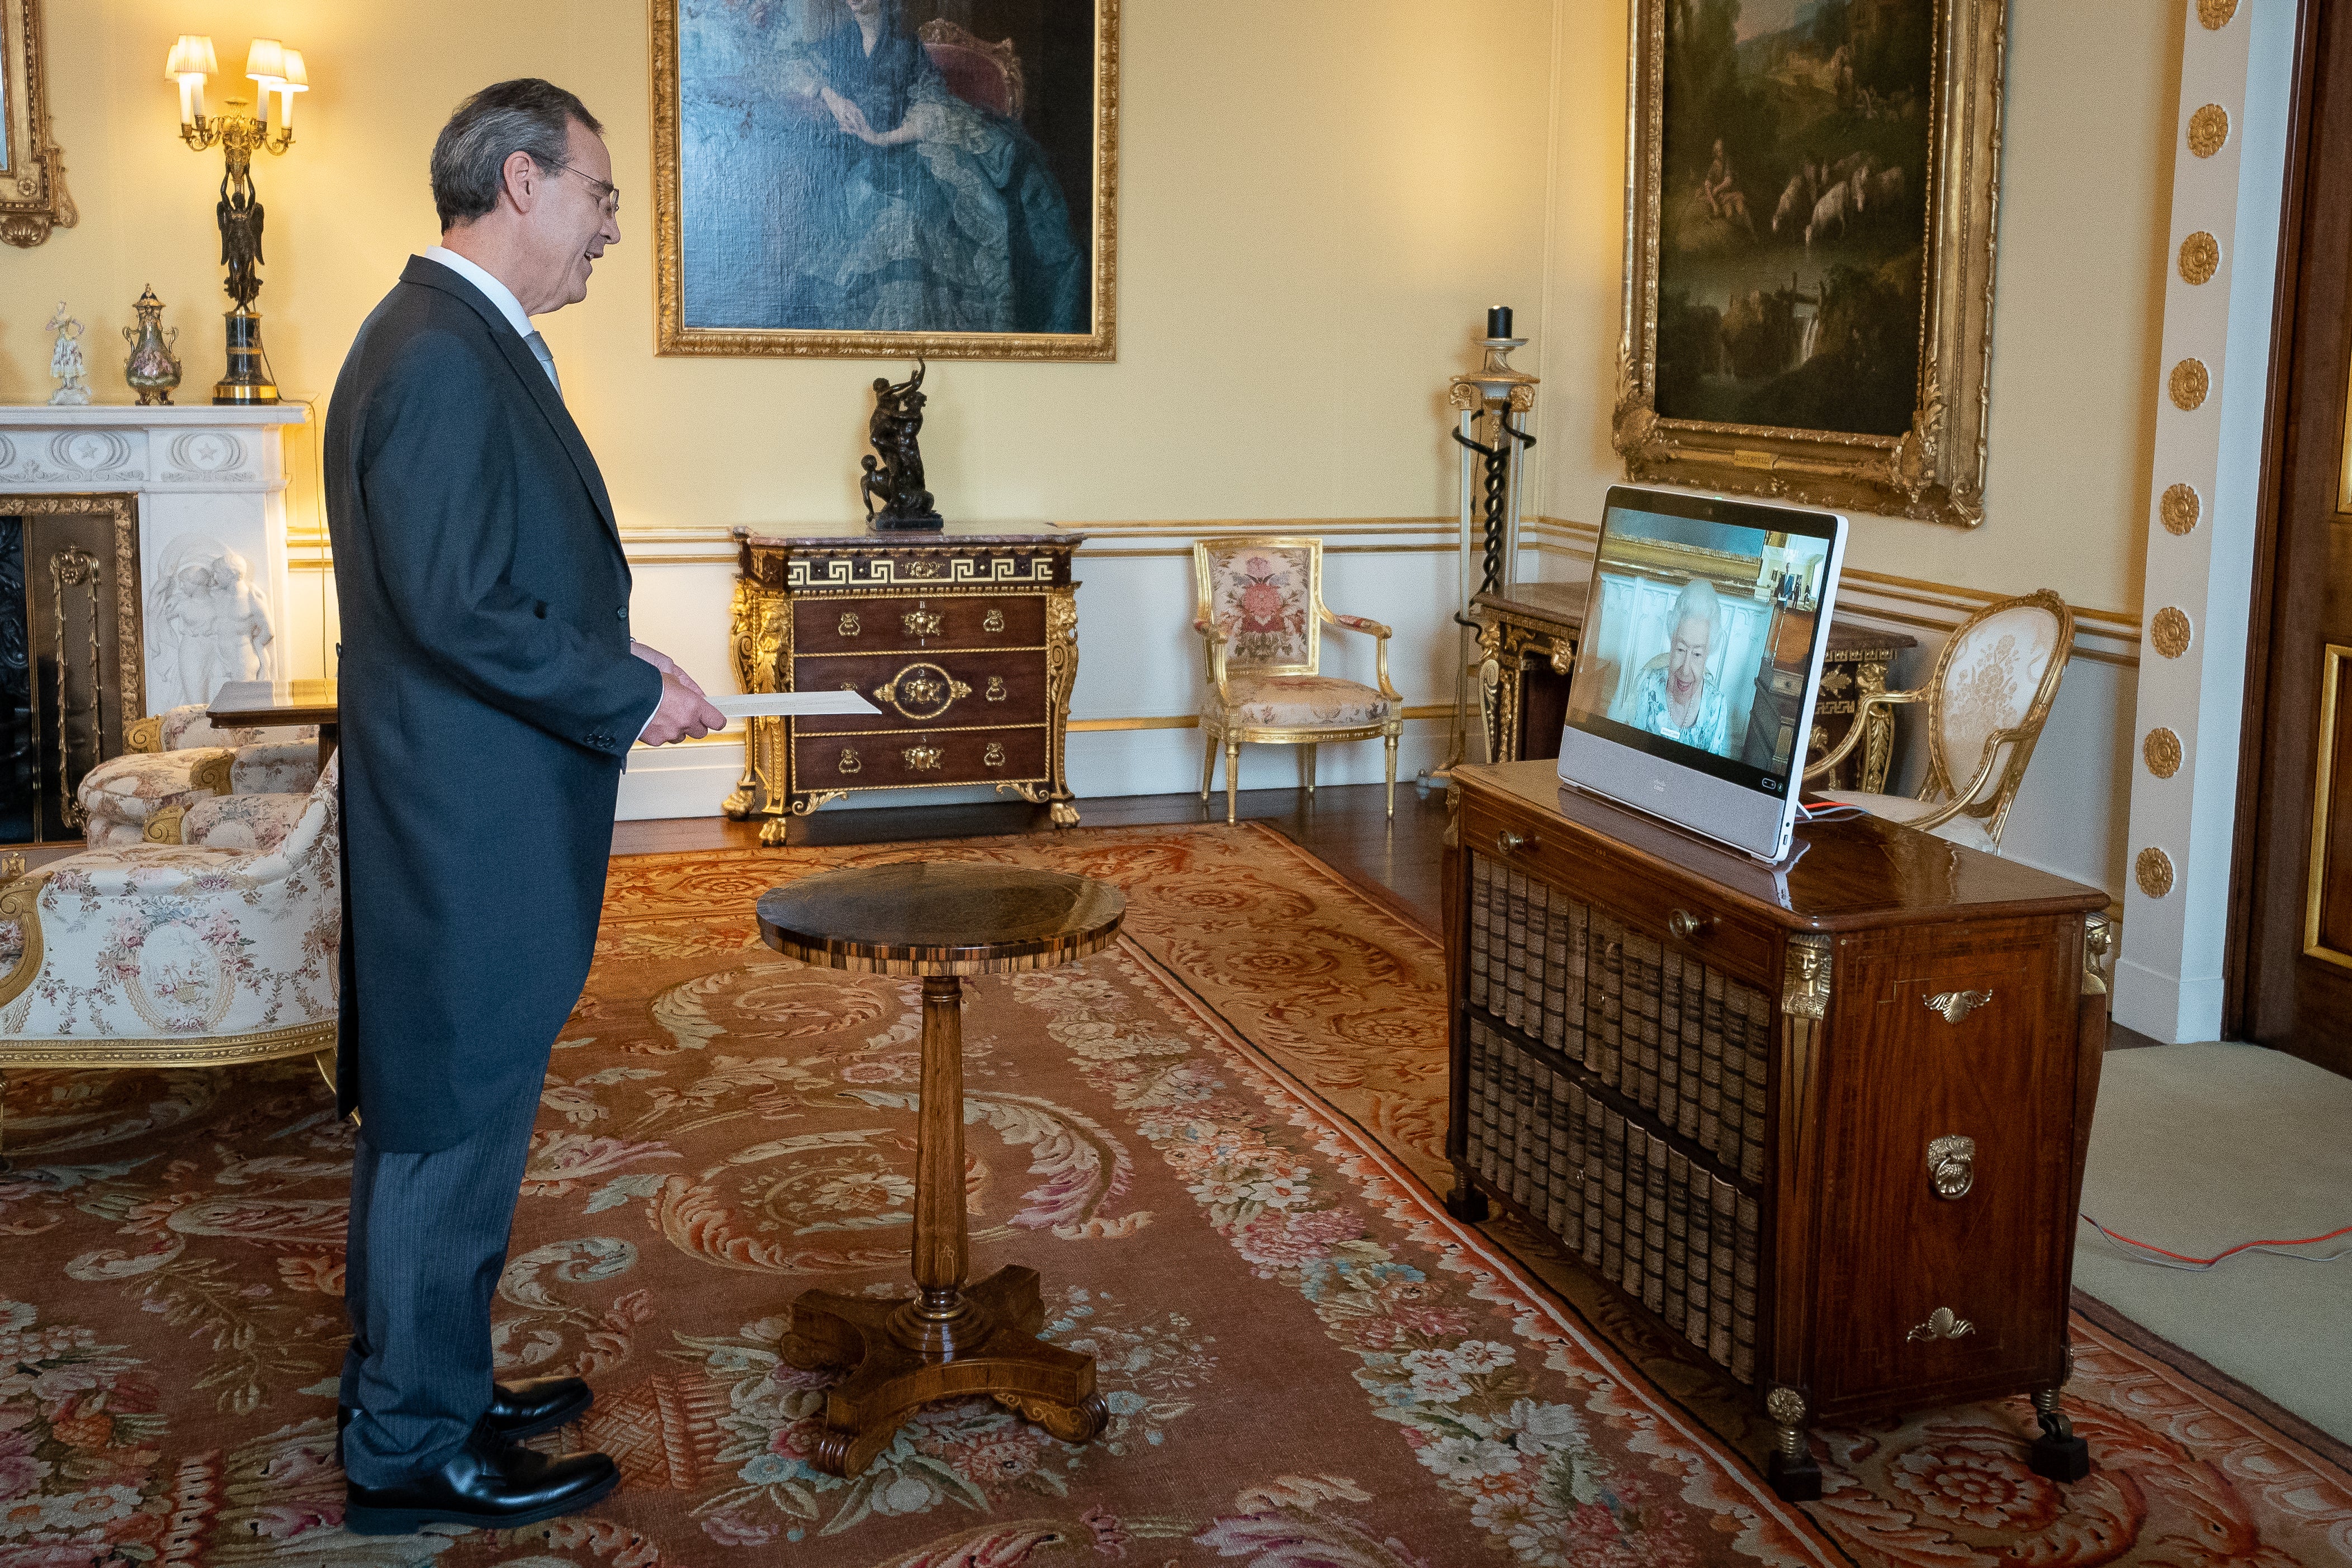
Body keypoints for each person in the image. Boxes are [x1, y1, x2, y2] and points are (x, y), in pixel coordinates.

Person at [323, 78, 726, 1536]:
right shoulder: (438, 352)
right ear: (517, 183)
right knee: (448, 1114)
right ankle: (411, 1443)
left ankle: (431, 1373)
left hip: (466, 799)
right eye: (600, 196)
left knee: (450, 1109)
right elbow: (450, 606)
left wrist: (620, 651)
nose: (610, 228)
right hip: (465, 819)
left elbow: (490, 575)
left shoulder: (448, 336)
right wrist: (620, 698)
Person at [684, 0, 1086, 332]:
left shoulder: (906, 47)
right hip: (849, 161)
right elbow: (789, 69)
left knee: (910, 217)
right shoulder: (836, 44)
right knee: (841, 215)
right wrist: (830, 96)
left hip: (905, 152)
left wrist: (882, 138)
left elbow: (931, 107)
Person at [1627, 579, 1731, 756]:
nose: (1685, 669)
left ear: (1708, 654)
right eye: (1681, 650)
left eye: (1697, 654)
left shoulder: (1716, 706)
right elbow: (1630, 755)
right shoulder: (1647, 686)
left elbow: (1712, 777)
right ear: (1671, 642)